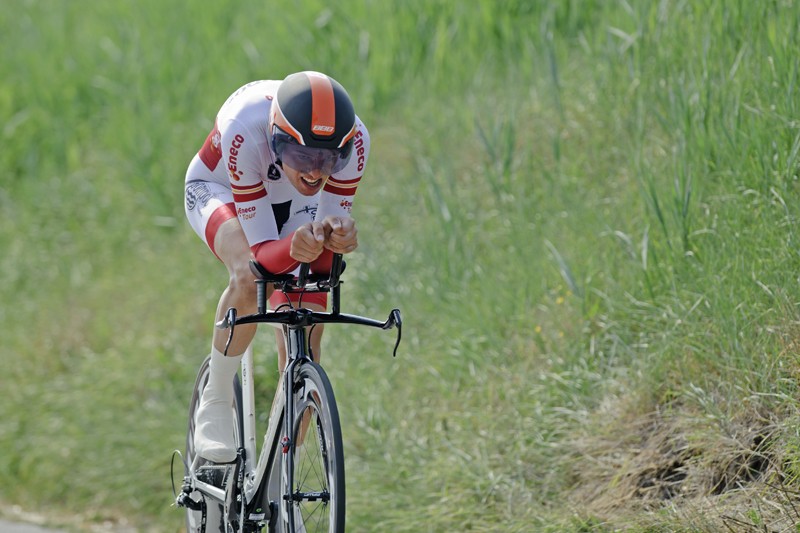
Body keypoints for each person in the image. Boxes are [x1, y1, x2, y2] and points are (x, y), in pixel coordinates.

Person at [184, 71, 369, 463]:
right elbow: (264, 253)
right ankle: (215, 402)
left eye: (329, 160)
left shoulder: (357, 140)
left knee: (307, 321)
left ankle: (279, 471)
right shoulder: (245, 129)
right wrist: (294, 244)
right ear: (277, 140)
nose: (316, 172)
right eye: (303, 156)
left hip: (288, 206)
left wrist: (339, 235)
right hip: (221, 191)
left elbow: (327, 234)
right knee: (250, 277)